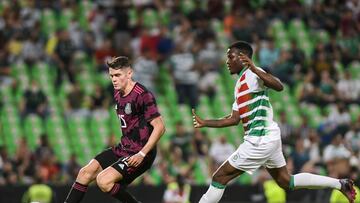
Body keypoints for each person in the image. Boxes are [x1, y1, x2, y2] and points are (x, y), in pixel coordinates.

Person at [192, 41, 356, 203]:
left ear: (242, 58)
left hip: (259, 140)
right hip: (269, 138)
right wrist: (205, 122)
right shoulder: (239, 85)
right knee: (287, 181)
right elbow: (234, 119)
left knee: (219, 177)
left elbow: (279, 86)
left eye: (230, 57)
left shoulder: (253, 74)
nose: (227, 61)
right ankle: (340, 184)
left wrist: (255, 69)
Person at [64, 56, 166, 203]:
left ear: (129, 73)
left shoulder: (142, 95)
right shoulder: (117, 92)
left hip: (140, 152)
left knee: (103, 181)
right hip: (124, 148)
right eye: (111, 75)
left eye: (118, 75)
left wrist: (142, 153)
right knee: (85, 173)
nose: (114, 79)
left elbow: (160, 127)